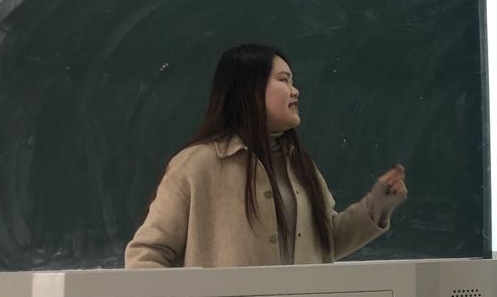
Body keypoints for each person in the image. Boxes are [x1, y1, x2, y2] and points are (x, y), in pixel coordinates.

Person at [125, 44, 407, 268]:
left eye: (293, 82)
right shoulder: (197, 164)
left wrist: (376, 205)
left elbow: (325, 242)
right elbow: (146, 254)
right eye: (283, 80)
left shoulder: (300, 164)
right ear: (249, 89)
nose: (295, 91)